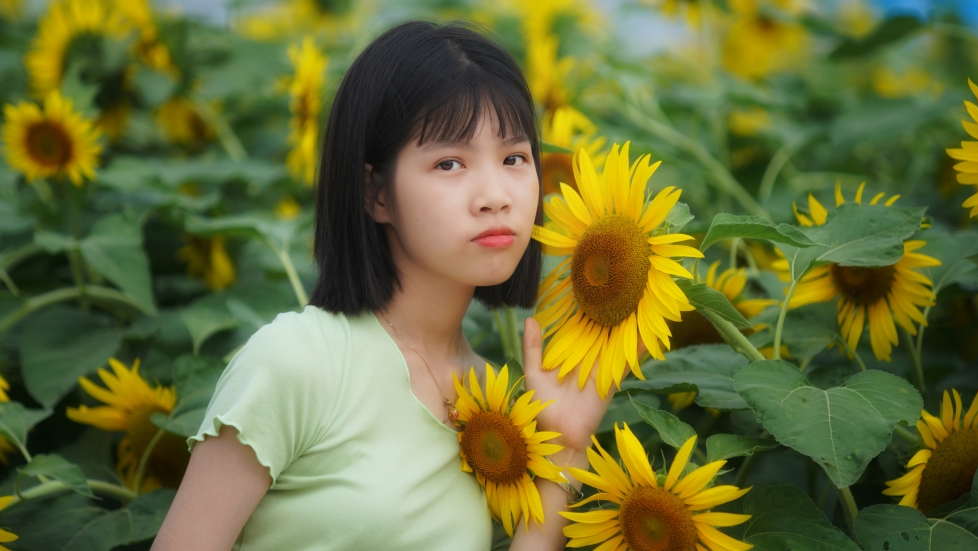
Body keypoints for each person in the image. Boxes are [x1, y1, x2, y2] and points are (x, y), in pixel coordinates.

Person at [152, 20, 630, 551]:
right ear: (375, 193)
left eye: (514, 158)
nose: (495, 195)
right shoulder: (298, 363)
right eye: (450, 162)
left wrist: (563, 449)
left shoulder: (497, 405)